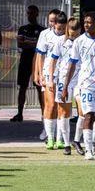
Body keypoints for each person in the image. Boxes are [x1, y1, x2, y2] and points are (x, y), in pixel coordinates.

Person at [67, 12, 95, 161]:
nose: (86, 25)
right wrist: (65, 86)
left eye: (89, 22)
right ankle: (88, 150)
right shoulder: (79, 41)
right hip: (85, 84)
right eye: (85, 22)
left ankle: (93, 142)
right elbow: (72, 63)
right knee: (88, 115)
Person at [35, 10, 66, 150]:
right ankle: (50, 137)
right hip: (49, 74)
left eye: (63, 28)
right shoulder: (45, 35)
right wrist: (40, 74)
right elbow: (40, 55)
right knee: (51, 105)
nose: (60, 31)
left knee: (61, 106)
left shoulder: (69, 37)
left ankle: (59, 139)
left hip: (64, 75)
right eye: (58, 28)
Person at [51, 16, 82, 155]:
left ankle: (77, 140)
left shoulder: (83, 42)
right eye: (71, 34)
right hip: (64, 79)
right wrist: (51, 79)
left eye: (76, 34)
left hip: (81, 80)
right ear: (67, 31)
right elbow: (53, 60)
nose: (73, 37)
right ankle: (67, 144)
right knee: (65, 112)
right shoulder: (60, 42)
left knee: (83, 112)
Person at [12, 5, 43, 123]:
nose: (30, 15)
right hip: (25, 59)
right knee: (22, 87)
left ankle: (44, 114)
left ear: (37, 14)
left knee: (40, 87)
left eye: (32, 13)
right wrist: (34, 42)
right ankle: (19, 113)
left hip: (37, 60)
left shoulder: (42, 30)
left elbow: (40, 46)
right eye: (28, 13)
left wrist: (28, 42)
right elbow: (20, 44)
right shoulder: (22, 28)